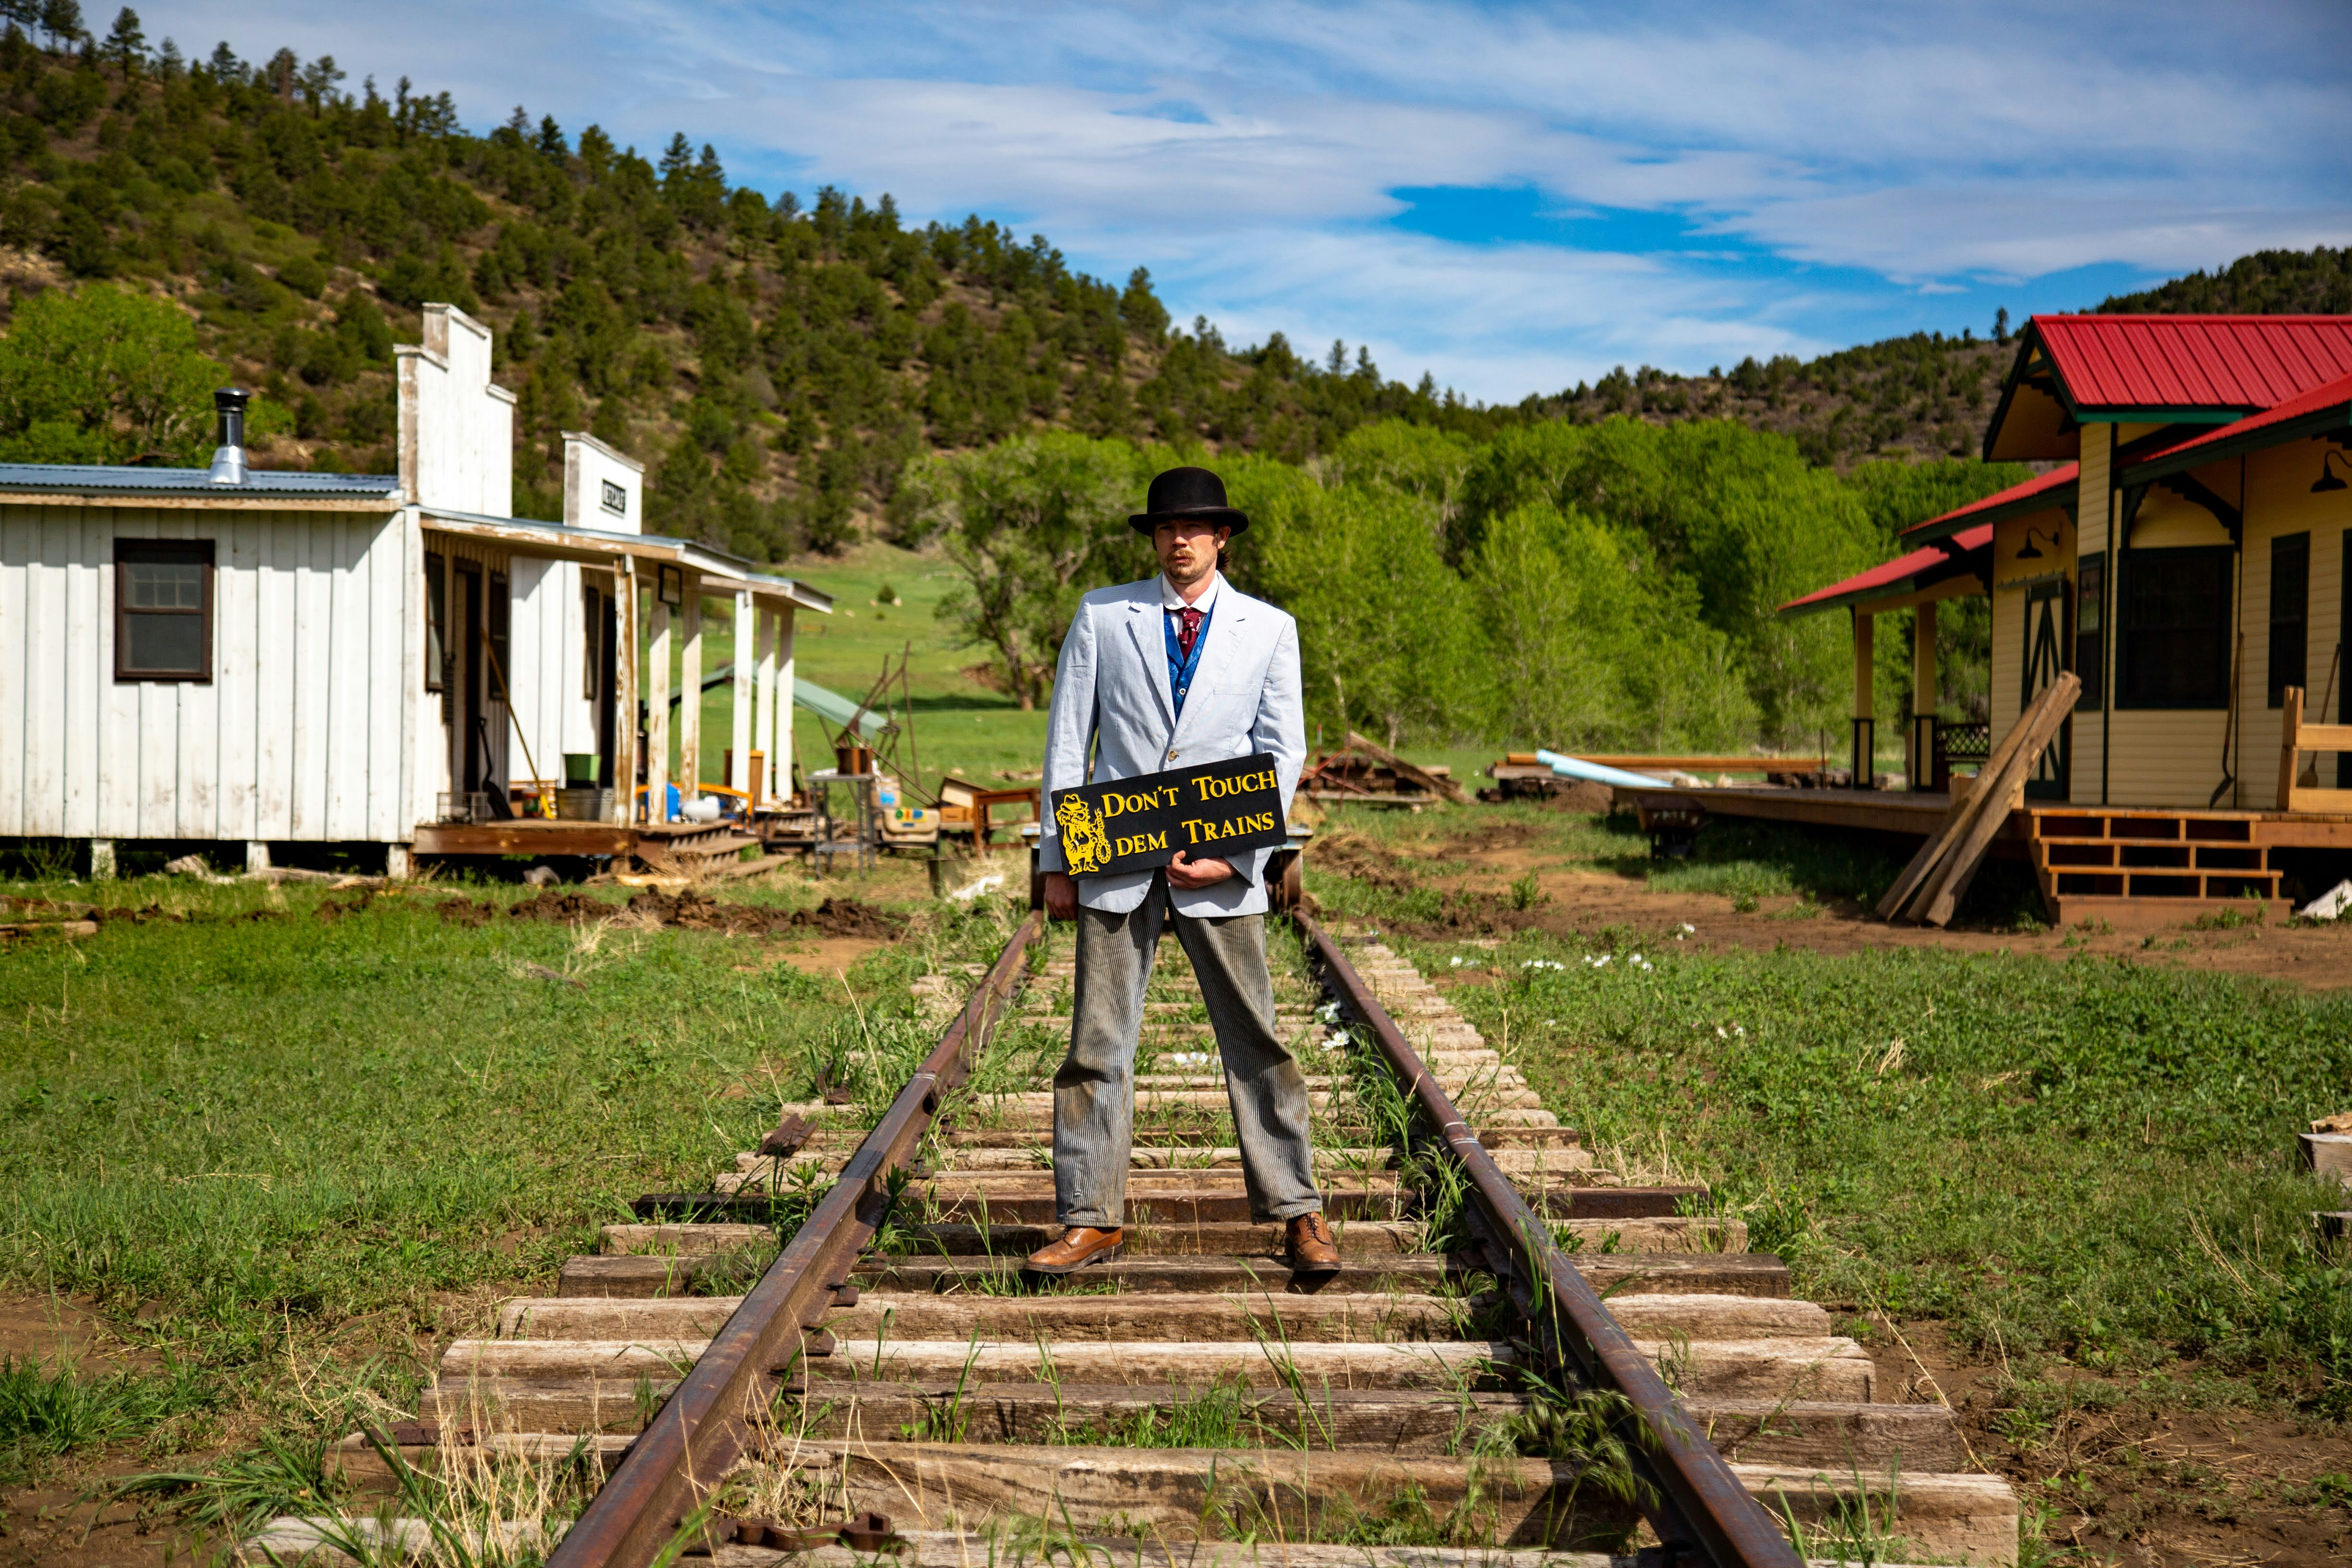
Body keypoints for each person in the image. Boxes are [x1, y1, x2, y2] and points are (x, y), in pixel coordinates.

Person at [1025, 466, 1335, 1276]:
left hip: (1219, 867)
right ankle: (1089, 1217)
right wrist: (1058, 857)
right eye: (1166, 529)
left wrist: (1237, 855)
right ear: (1153, 537)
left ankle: (1298, 1211)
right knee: (1096, 1044)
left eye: (1195, 528)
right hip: (1116, 862)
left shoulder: (1268, 628)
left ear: (1221, 536)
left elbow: (1281, 750)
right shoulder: (1102, 615)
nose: (1180, 541)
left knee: (1257, 1042)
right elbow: (1069, 741)